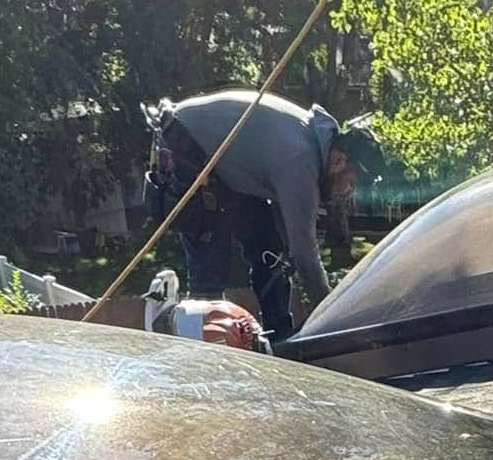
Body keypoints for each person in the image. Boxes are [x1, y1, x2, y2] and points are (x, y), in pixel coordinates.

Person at [143, 92, 378, 340]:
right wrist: (333, 318)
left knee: (270, 252)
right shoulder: (301, 162)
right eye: (351, 184)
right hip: (186, 142)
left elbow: (286, 228)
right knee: (210, 253)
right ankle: (204, 340)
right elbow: (304, 253)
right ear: (340, 161)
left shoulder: (312, 141)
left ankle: (279, 335)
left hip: (228, 165)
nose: (347, 194)